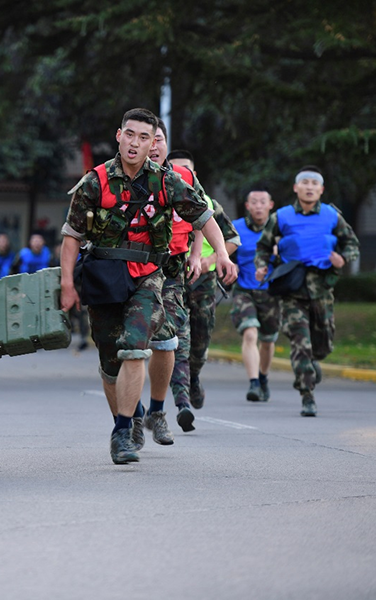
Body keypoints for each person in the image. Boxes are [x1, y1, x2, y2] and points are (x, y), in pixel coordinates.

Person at [59, 107, 235, 465]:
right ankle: (126, 419)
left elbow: (204, 216)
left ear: (154, 141)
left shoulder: (167, 180)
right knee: (110, 362)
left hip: (148, 275)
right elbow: (72, 236)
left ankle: (124, 431)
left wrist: (221, 253)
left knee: (136, 347)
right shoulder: (95, 181)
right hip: (104, 274)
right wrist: (67, 285)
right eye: (131, 135)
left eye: (146, 137)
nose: (137, 143)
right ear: (119, 136)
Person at [255, 166, 359, 417]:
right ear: (296, 187)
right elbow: (264, 246)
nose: (310, 187)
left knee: (322, 345)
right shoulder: (282, 216)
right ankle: (307, 394)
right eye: (305, 182)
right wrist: (261, 266)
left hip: (322, 289)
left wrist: (342, 259)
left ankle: (314, 361)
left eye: (315, 183)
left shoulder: (333, 216)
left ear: (321, 189)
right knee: (299, 342)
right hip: (293, 289)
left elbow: (351, 244)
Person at [137, 123, 204, 447]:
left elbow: (201, 216)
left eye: (158, 139)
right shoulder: (124, 178)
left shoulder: (183, 178)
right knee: (130, 344)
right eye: (146, 139)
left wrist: (197, 253)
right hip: (131, 269)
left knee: (168, 338)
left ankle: (158, 412)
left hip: (171, 270)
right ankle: (132, 414)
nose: (152, 146)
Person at [167, 150, 240, 417]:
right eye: (171, 168)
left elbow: (232, 239)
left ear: (193, 174)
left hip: (204, 284)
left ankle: (194, 377)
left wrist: (210, 261)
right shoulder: (161, 199)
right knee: (179, 341)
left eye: (184, 169)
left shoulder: (208, 204)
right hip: (173, 278)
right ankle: (182, 402)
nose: (177, 174)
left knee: (199, 341)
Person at [231, 188, 280, 402]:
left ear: (271, 205)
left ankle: (263, 377)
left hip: (271, 292)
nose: (258, 206)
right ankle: (253, 384)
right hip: (244, 290)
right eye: (254, 202)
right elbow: (224, 252)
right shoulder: (236, 228)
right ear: (248, 206)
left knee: (268, 341)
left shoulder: (280, 229)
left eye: (263, 202)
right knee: (250, 333)